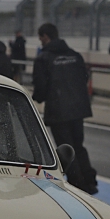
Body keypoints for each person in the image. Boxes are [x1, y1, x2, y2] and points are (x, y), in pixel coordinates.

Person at [32, 22, 98, 194]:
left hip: (58, 109)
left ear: (45, 37)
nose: (41, 42)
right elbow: (84, 78)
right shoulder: (75, 55)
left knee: (66, 147)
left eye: (41, 38)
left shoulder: (43, 58)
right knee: (79, 144)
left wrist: (37, 97)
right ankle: (90, 180)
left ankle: (77, 183)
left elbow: (40, 86)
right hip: (78, 107)